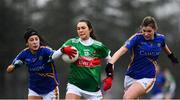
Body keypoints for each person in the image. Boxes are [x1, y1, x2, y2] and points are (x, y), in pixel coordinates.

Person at [105, 16, 179, 99]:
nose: (146, 34)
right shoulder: (136, 38)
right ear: (141, 29)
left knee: (127, 97)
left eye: (149, 31)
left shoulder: (160, 39)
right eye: (144, 31)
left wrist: (172, 57)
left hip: (148, 77)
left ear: (155, 29)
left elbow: (165, 47)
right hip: (130, 76)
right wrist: (111, 63)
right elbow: (122, 50)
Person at [51, 19, 113, 99]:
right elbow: (53, 56)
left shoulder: (98, 46)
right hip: (75, 86)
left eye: (83, 28)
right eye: (78, 28)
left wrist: (110, 76)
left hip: (94, 90)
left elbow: (110, 60)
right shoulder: (72, 42)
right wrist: (63, 50)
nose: (80, 30)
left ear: (90, 29)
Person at [6, 28, 59, 100]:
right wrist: (15, 66)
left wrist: (60, 52)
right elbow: (9, 70)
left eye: (36, 39)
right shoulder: (24, 53)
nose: (35, 42)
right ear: (27, 43)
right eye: (31, 40)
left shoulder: (45, 50)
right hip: (34, 89)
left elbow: (55, 54)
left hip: (50, 89)